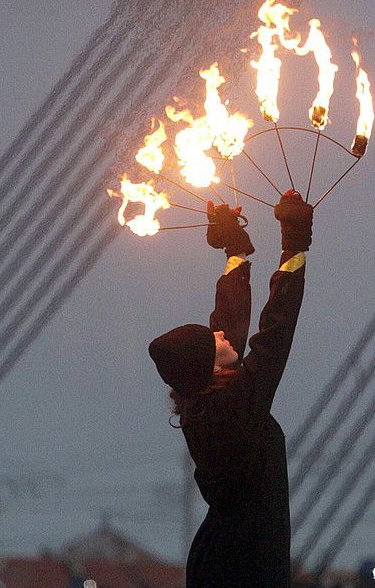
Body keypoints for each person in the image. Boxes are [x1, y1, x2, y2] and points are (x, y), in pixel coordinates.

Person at [148, 189, 314, 587]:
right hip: (242, 570)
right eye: (212, 340)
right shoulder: (232, 408)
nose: (220, 332)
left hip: (225, 561)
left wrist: (234, 252)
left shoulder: (207, 403)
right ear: (207, 366)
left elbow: (231, 325)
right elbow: (274, 332)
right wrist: (293, 247)